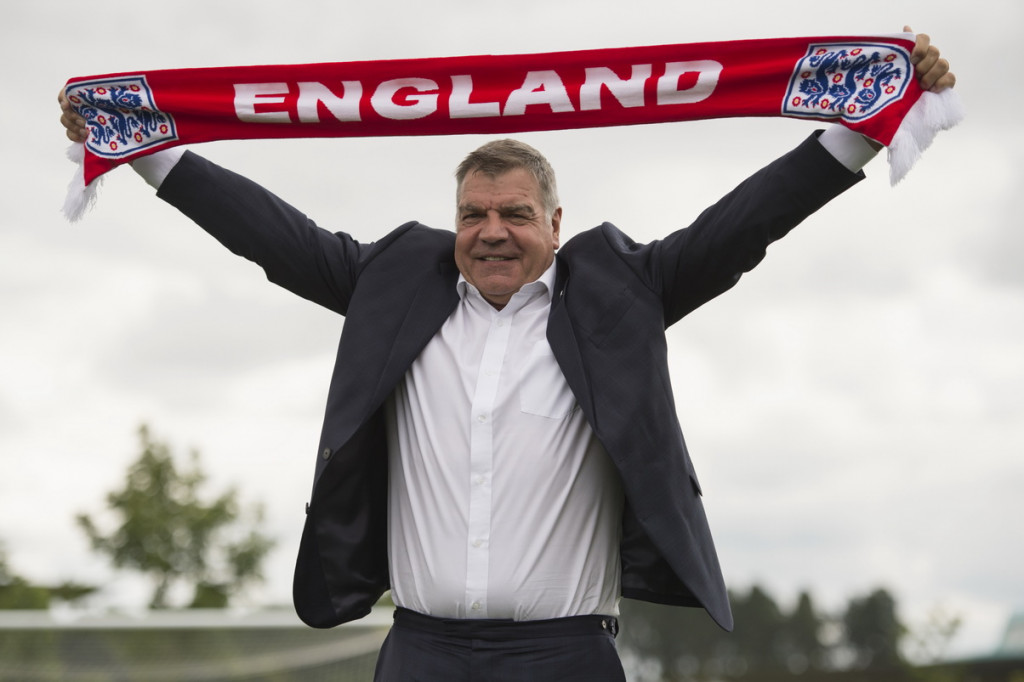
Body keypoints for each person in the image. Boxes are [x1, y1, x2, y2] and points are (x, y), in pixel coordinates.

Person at [59, 31, 954, 682]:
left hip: (565, 655)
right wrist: (141, 143)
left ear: (555, 226)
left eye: (516, 215)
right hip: (418, 651)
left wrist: (869, 124)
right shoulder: (391, 284)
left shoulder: (623, 291)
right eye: (474, 216)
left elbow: (745, 223)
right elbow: (269, 234)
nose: (492, 233)